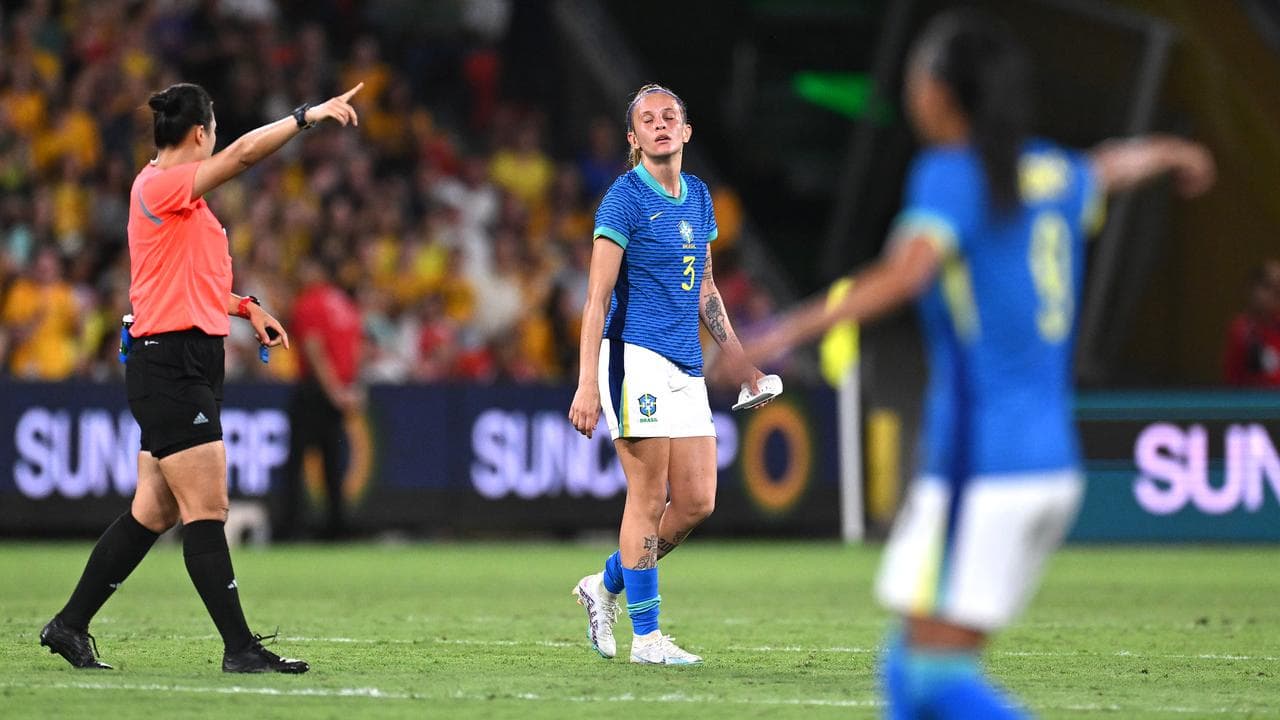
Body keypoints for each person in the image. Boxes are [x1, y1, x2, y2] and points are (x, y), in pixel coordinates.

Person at [741, 11, 1214, 718]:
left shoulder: (952, 175)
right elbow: (1112, 165)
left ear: (937, 92)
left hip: (985, 468)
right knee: (909, 671)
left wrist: (781, 330)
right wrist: (1175, 151)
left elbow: (906, 274)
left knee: (931, 678)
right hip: (1044, 465)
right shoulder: (1050, 170)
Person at [39, 80, 363, 673]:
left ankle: (69, 624)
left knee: (153, 512)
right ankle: (240, 648)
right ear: (201, 132)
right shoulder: (161, 184)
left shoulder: (179, 202)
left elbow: (192, 284)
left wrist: (246, 309)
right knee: (207, 507)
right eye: (213, 129)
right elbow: (241, 157)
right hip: (171, 364)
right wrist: (306, 117)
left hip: (182, 359)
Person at [568, 84, 765, 665]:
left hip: (685, 363)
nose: (659, 125)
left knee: (699, 502)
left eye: (669, 117)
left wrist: (742, 361)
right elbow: (596, 298)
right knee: (648, 497)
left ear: (686, 131)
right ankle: (647, 639)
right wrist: (586, 383)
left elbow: (706, 289)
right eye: (647, 120)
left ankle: (603, 585)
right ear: (633, 139)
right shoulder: (623, 200)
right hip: (634, 357)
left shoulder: (700, 197)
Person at [278, 255, 364, 540]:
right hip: (341, 388)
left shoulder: (309, 304)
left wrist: (333, 391)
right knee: (332, 462)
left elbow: (315, 350)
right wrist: (351, 387)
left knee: (296, 461)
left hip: (317, 390)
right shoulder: (345, 304)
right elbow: (355, 349)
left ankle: (292, 525)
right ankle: (337, 526)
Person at [1223, 259, 1280, 387]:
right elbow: (1232, 378)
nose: (1275, 294)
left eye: (1279, 289)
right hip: (1252, 403)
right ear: (1252, 288)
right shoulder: (1241, 329)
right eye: (1268, 286)